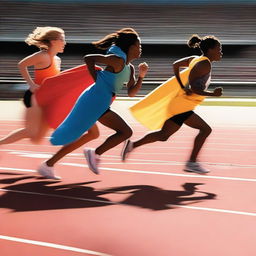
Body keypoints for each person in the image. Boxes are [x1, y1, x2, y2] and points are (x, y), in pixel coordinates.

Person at [41, 28, 148, 177]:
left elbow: (131, 93)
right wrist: (96, 80)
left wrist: (141, 76)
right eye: (139, 45)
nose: (141, 48)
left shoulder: (129, 68)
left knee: (90, 134)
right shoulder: (117, 60)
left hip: (100, 101)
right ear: (130, 47)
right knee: (125, 132)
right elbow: (89, 58)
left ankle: (48, 165)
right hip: (94, 100)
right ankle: (95, 153)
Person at [121, 34, 223, 174]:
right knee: (205, 129)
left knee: (163, 135)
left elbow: (176, 65)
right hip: (183, 106)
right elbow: (194, 88)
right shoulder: (205, 64)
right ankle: (191, 162)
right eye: (219, 49)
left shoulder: (196, 59)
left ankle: (132, 145)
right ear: (210, 50)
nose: (221, 52)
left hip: (180, 104)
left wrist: (182, 85)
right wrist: (213, 94)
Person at [0, 26, 66, 145]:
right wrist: (31, 84)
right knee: (30, 132)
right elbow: (22, 64)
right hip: (34, 96)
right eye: (62, 39)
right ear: (53, 41)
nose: (64, 43)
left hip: (46, 97)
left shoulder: (57, 59)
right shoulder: (42, 56)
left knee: (36, 138)